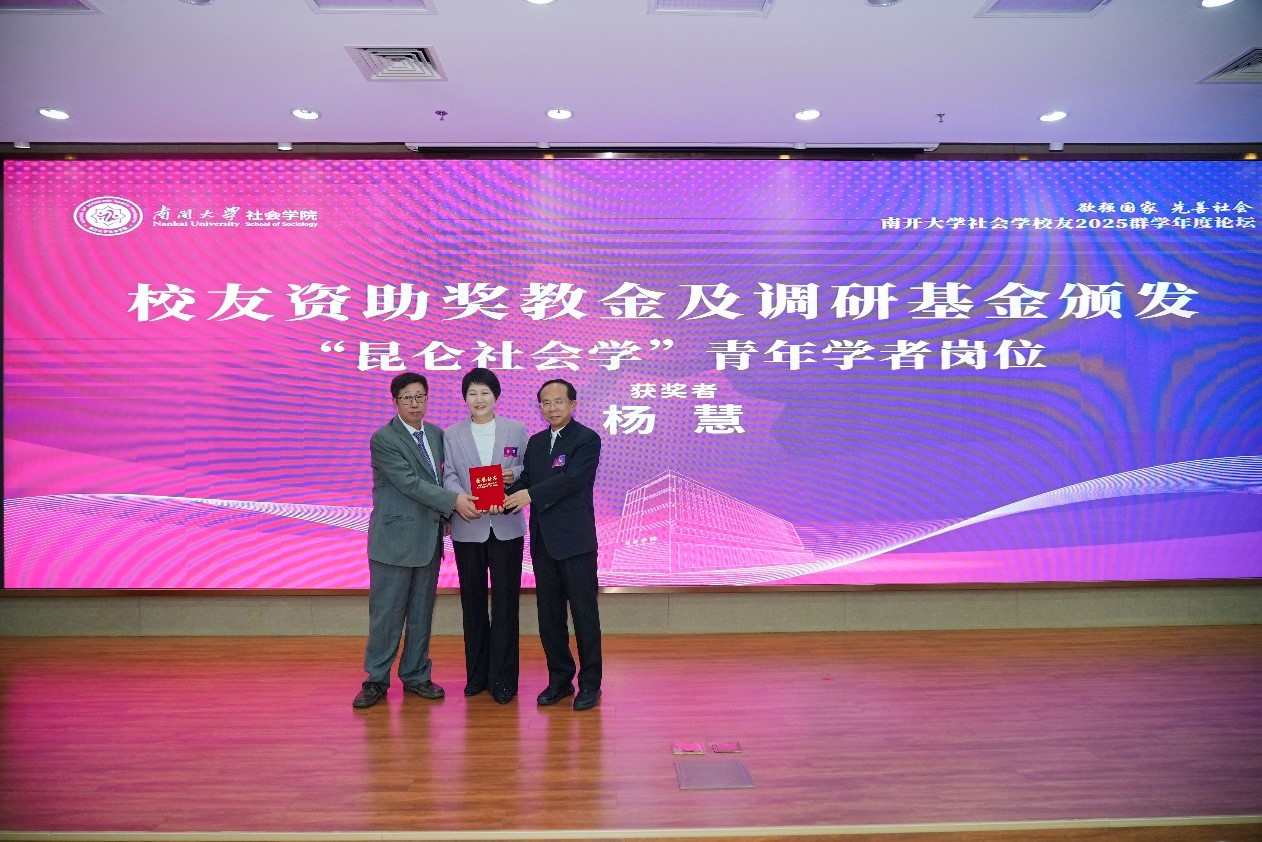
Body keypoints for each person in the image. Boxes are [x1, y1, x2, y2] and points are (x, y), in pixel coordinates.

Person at [353, 372, 480, 709]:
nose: (414, 403)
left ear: (427, 399)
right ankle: (376, 679)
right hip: (394, 542)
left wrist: (448, 512)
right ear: (395, 401)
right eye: (407, 397)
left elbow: (443, 478)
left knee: (422, 613)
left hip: (428, 539)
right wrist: (454, 502)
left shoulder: (436, 434)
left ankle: (416, 675)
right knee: (387, 615)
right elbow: (409, 483)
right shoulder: (384, 439)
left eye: (420, 397)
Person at [500, 378, 604, 711]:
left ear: (573, 404)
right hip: (544, 543)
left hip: (576, 542)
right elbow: (528, 480)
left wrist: (529, 494)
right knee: (550, 616)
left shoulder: (587, 439)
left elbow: (572, 480)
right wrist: (501, 488)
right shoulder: (536, 442)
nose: (552, 408)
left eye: (559, 401)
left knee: (584, 616)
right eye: (545, 402)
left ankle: (590, 684)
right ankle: (560, 680)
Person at [442, 368, 529, 704]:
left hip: (506, 526)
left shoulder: (515, 429)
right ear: (464, 398)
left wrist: (513, 474)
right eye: (472, 393)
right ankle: (477, 675)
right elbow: (449, 475)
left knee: (506, 604)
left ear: (496, 396)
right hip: (469, 526)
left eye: (485, 393)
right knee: (473, 603)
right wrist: (460, 499)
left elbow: (528, 469)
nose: (478, 399)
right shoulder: (452, 434)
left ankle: (504, 679)